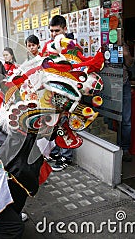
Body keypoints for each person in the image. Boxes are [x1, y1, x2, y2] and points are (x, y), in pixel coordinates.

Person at [43, 15, 75, 171]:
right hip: (52, 90)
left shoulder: (71, 47)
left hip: (68, 91)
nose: (54, 34)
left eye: (57, 30)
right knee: (55, 123)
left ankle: (65, 156)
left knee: (64, 123)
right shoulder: (49, 46)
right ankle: (56, 151)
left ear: (65, 29)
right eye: (52, 31)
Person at [120, 43, 135, 162]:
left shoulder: (124, 44)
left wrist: (126, 54)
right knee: (108, 117)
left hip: (124, 83)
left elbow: (130, 64)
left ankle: (125, 149)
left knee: (126, 119)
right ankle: (111, 147)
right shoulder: (101, 43)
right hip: (108, 83)